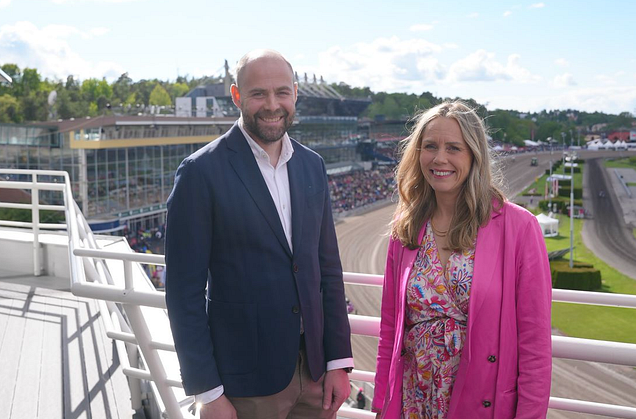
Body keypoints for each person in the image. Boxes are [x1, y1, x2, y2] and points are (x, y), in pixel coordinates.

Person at [165, 49, 353, 419]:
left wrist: (338, 361)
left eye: (281, 92)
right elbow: (183, 292)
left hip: (315, 374)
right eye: (258, 94)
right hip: (243, 386)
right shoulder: (200, 172)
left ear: (295, 93)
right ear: (236, 96)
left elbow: (327, 270)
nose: (272, 105)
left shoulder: (313, 166)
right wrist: (209, 392)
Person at [372, 101, 552, 418]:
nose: (440, 158)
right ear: (418, 153)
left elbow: (535, 344)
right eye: (430, 146)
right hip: (412, 402)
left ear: (474, 154)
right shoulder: (407, 225)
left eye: (453, 148)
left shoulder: (519, 228)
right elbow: (391, 329)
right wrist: (382, 404)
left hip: (481, 401)